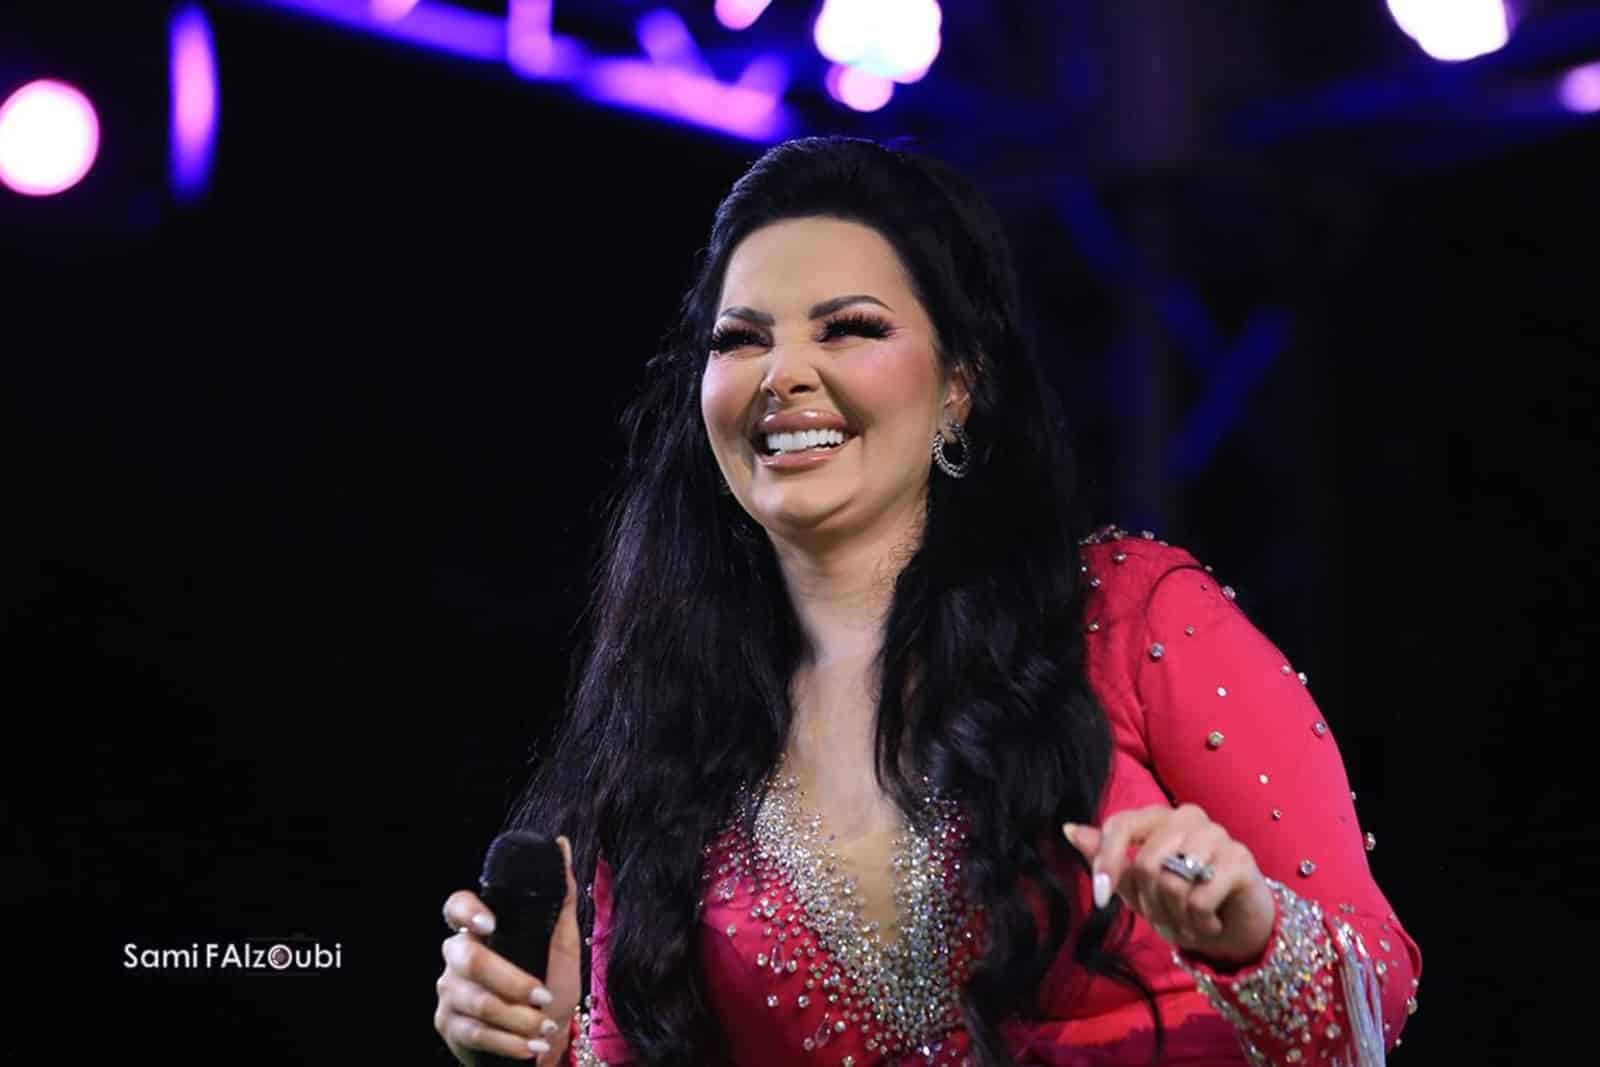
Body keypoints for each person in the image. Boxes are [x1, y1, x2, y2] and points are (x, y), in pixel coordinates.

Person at [432, 136, 1421, 1067]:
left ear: (958, 384)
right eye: (740, 340)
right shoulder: (671, 737)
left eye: (849, 328)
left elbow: (1376, 989)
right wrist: (541, 1047)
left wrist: (1248, 934)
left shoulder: (1132, 618)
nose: (784, 373)